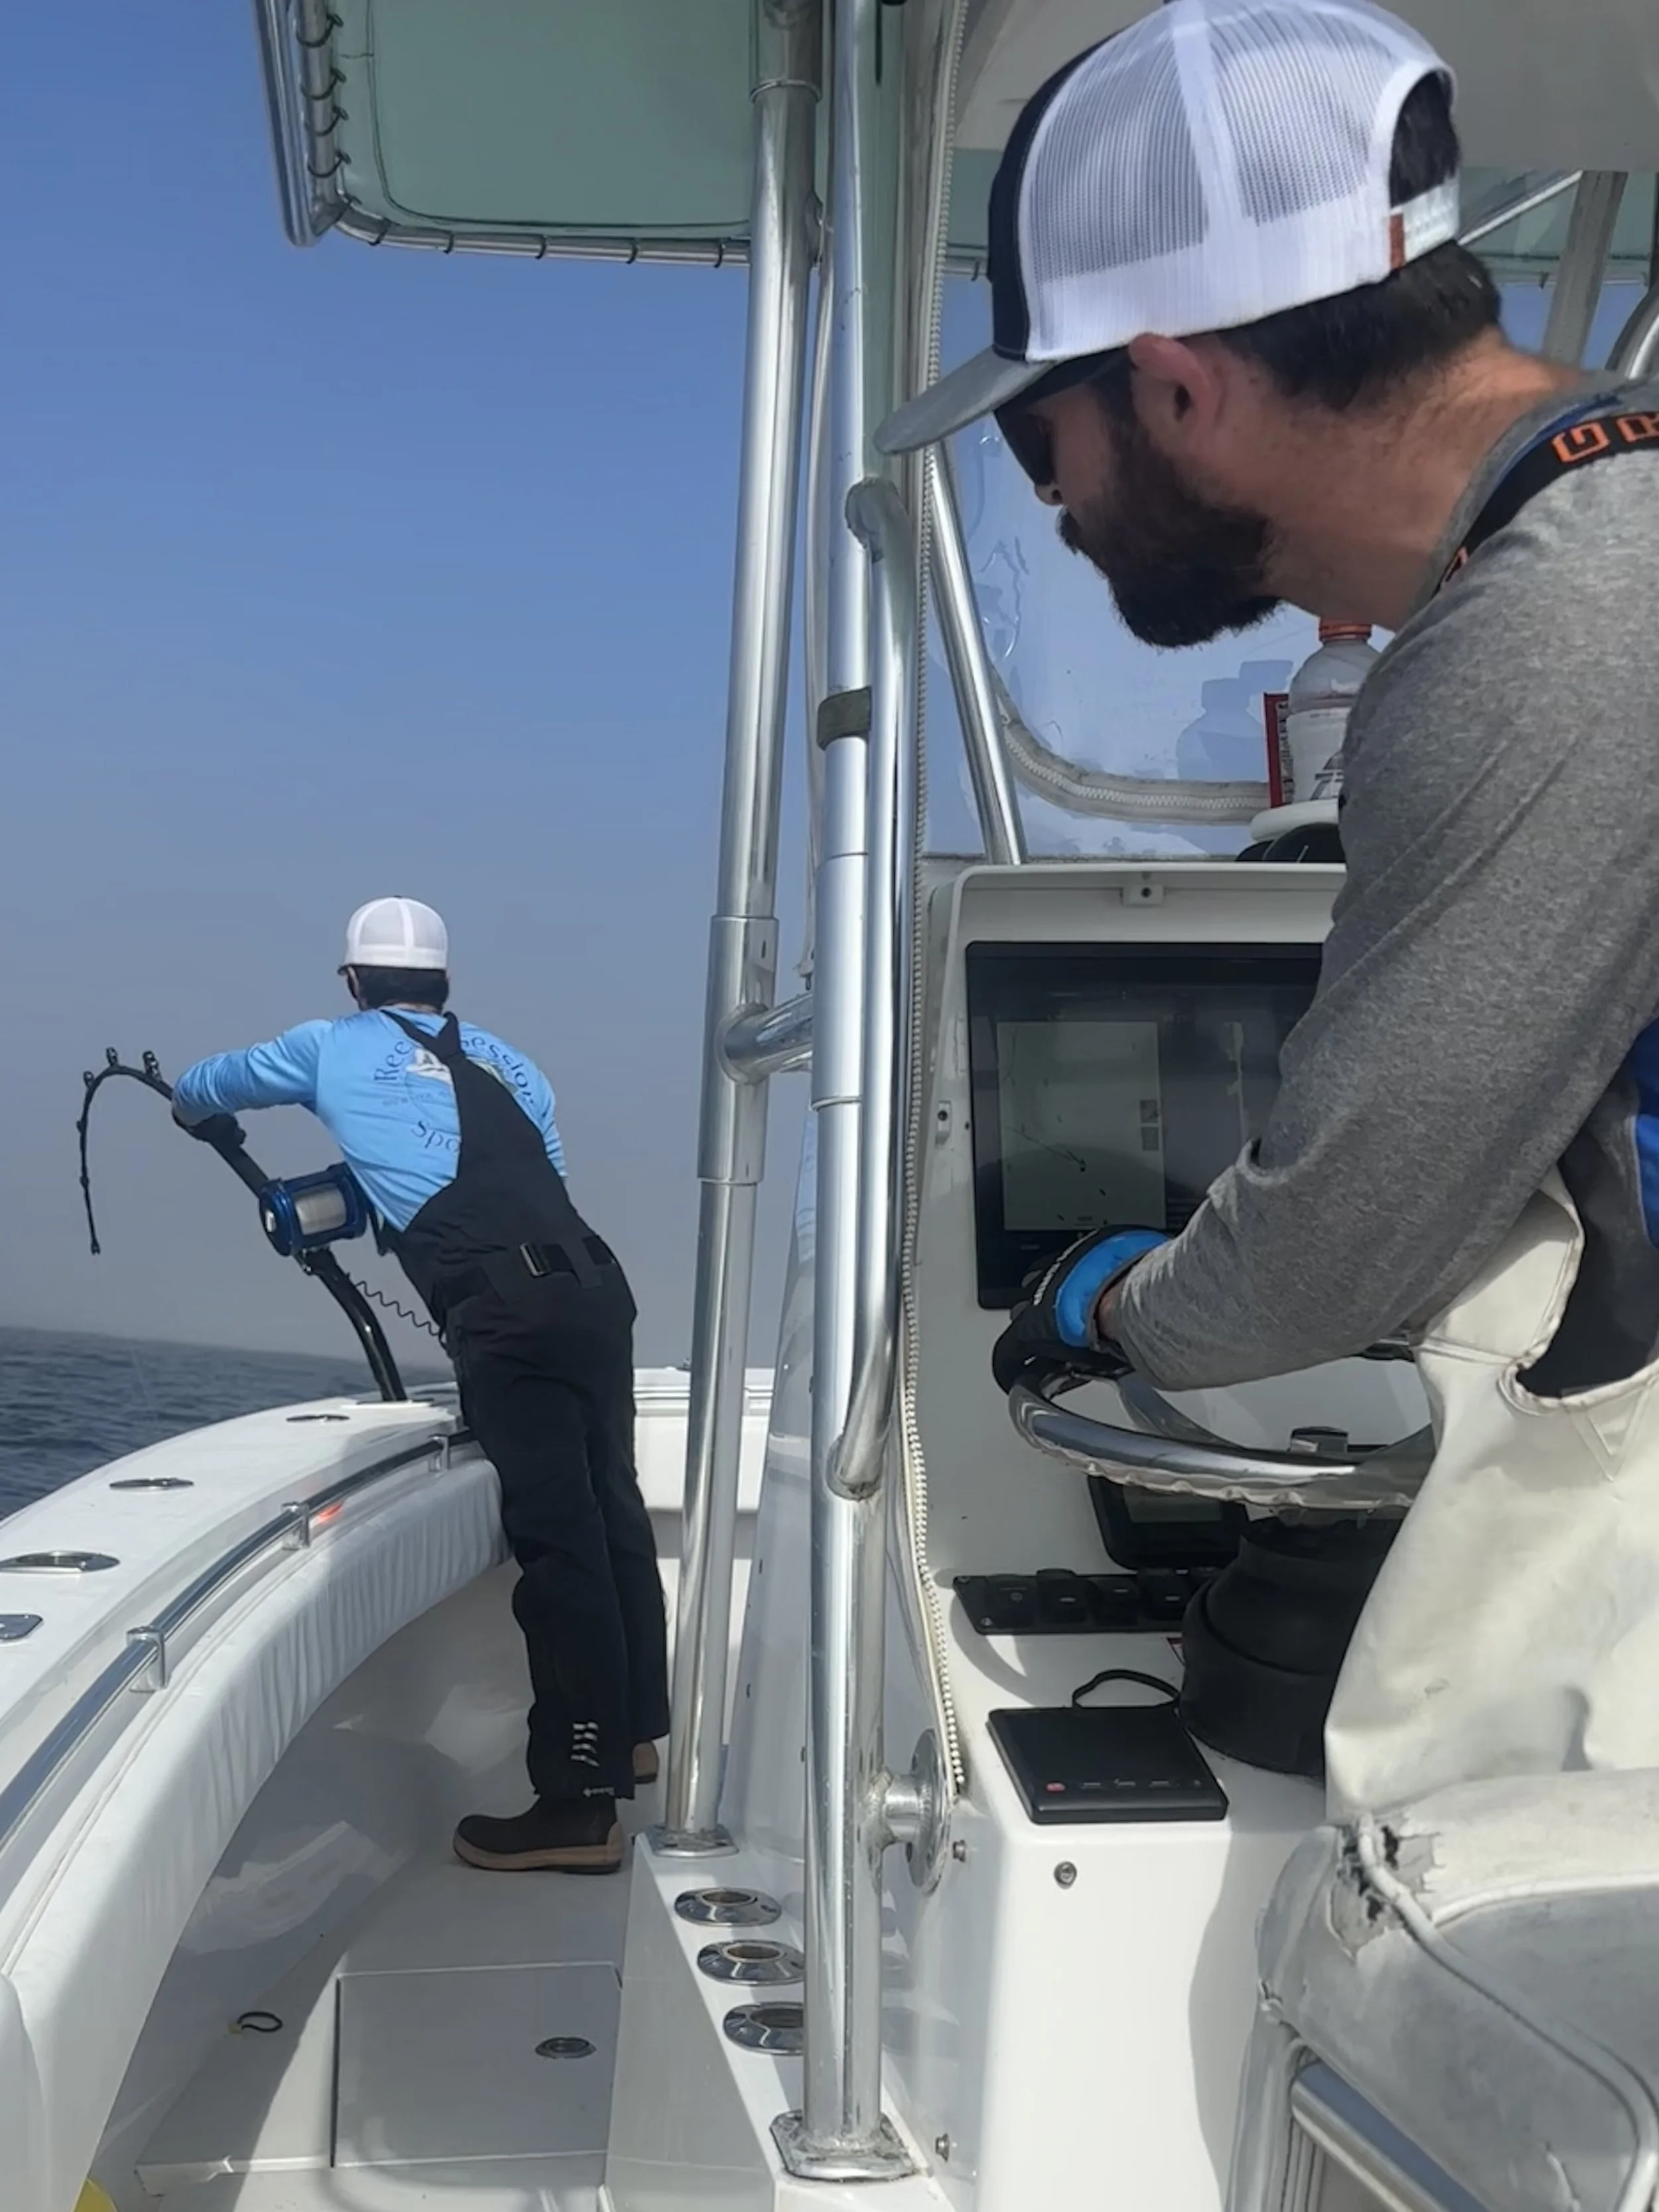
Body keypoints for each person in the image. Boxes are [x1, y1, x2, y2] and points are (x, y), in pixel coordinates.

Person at [880, 0, 1659, 1803]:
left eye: (1035, 440)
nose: (1057, 505)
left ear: (1175, 386)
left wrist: (1106, 1303)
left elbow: (1316, 1258)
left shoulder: (1551, 629)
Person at [171, 896, 670, 1872]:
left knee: (558, 1548)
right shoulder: (511, 1061)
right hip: (597, 1295)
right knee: (616, 1517)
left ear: (353, 980)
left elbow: (203, 1085)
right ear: (444, 983)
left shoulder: (328, 1045)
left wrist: (198, 1115)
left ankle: (577, 1807)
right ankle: (635, 1736)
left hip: (506, 1317)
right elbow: (534, 1182)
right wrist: (376, 1183)